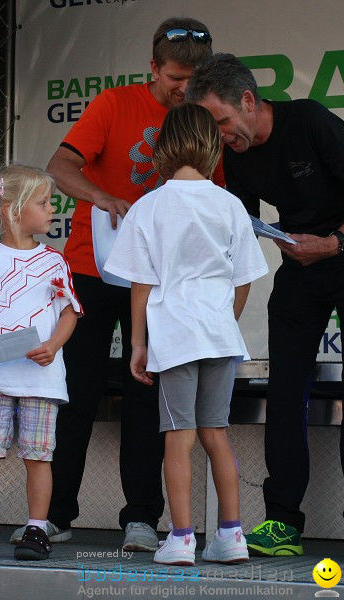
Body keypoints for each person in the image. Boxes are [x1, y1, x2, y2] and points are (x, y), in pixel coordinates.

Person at [10, 16, 215, 552]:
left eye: (193, 80)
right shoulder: (114, 105)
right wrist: (101, 197)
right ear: (153, 68)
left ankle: (143, 518)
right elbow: (58, 168)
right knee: (74, 390)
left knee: (148, 392)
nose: (183, 89)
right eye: (175, 78)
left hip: (160, 278)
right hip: (92, 268)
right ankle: (55, 514)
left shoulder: (200, 121)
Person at [187, 53, 344, 564]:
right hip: (302, 263)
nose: (219, 135)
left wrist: (336, 242)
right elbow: (239, 227)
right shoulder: (233, 154)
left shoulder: (310, 120)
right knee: (283, 388)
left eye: (220, 121)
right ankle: (282, 520)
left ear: (249, 101)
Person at [104, 105, 268, 566]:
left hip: (174, 337)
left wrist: (138, 344)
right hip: (219, 336)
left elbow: (141, 282)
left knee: (179, 436)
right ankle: (232, 534)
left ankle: (180, 539)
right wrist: (224, 321)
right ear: (211, 145)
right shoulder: (229, 203)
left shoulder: (149, 206)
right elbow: (245, 278)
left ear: (164, 147)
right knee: (216, 432)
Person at [0, 164, 82, 561]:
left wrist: (54, 346)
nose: (51, 212)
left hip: (40, 379)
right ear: (13, 210)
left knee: (38, 455)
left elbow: (69, 312)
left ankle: (36, 529)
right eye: (43, 204)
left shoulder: (55, 262)